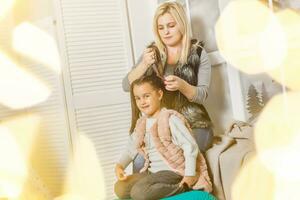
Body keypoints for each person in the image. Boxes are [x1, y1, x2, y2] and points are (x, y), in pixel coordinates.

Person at [122, 1, 213, 152]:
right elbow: (126, 85)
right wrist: (144, 65)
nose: (166, 32)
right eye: (161, 27)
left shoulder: (198, 53)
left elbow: (202, 95)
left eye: (171, 26)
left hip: (194, 123)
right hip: (160, 124)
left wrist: (182, 86)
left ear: (181, 25)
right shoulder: (151, 53)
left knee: (184, 154)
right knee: (140, 159)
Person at [114, 75, 212, 200]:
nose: (142, 102)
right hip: (152, 174)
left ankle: (183, 188)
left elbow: (190, 146)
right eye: (138, 98)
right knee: (120, 188)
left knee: (139, 192)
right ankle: (153, 190)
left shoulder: (170, 119)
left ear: (159, 95)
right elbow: (132, 147)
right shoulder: (142, 123)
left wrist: (189, 174)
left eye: (146, 96)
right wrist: (120, 166)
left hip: (172, 172)